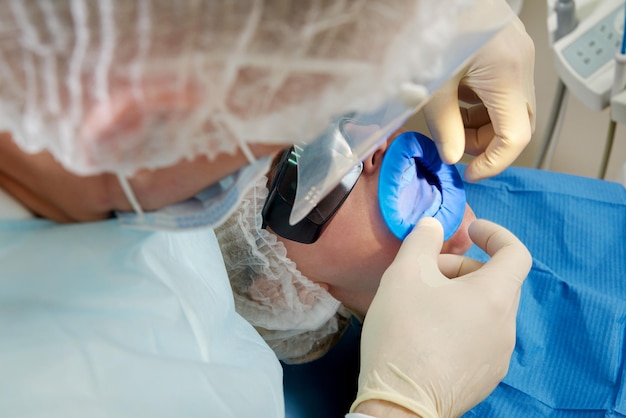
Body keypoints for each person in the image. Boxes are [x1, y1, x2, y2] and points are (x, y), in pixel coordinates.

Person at [0, 1, 535, 417]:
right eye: (314, 160)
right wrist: (399, 405)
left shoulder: (137, 147)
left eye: (360, 103)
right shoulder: (83, 380)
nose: (375, 143)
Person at [215, 131, 626, 417]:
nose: (371, 145)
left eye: (341, 118)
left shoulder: (482, 183)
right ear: (277, 289)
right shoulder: (414, 399)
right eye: (311, 167)